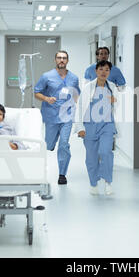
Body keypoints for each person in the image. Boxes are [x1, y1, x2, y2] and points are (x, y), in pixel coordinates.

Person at [34, 51, 81, 185]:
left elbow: (76, 93)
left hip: (67, 116)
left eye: (64, 58)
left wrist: (74, 106)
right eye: (59, 58)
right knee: (48, 144)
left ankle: (62, 174)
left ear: (67, 60)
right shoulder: (46, 76)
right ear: (55, 60)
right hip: (51, 115)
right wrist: (46, 98)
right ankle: (52, 144)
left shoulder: (74, 78)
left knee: (64, 144)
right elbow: (37, 92)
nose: (62, 60)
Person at [74, 60, 119, 196]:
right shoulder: (88, 87)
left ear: (109, 72)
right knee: (91, 157)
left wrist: (115, 101)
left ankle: (108, 182)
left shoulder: (112, 87)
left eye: (106, 70)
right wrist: (80, 127)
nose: (104, 72)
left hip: (107, 124)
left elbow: (117, 105)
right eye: (101, 69)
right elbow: (80, 108)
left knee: (106, 152)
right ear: (96, 71)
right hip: (89, 126)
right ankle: (93, 183)